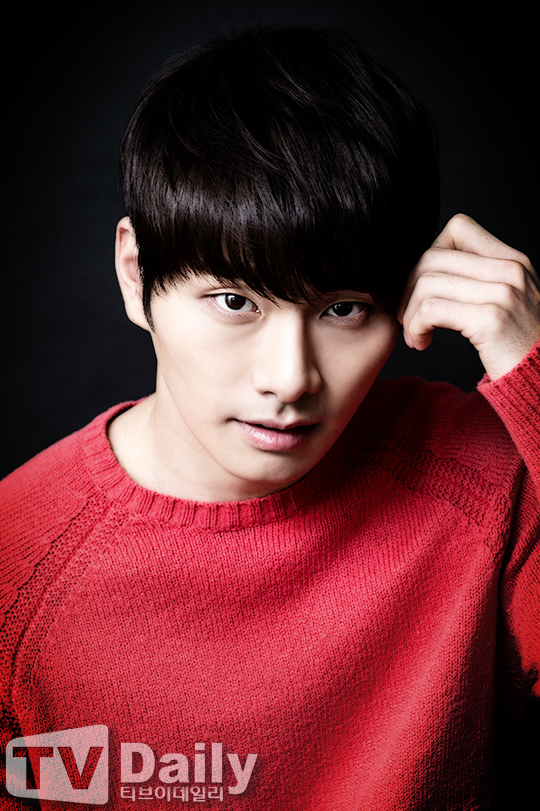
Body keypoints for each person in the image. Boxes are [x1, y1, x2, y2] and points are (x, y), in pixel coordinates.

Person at [1, 23, 538, 811]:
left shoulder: (487, 480)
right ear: (135, 272)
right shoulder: (17, 563)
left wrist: (534, 369)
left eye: (344, 308)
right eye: (234, 300)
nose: (291, 379)